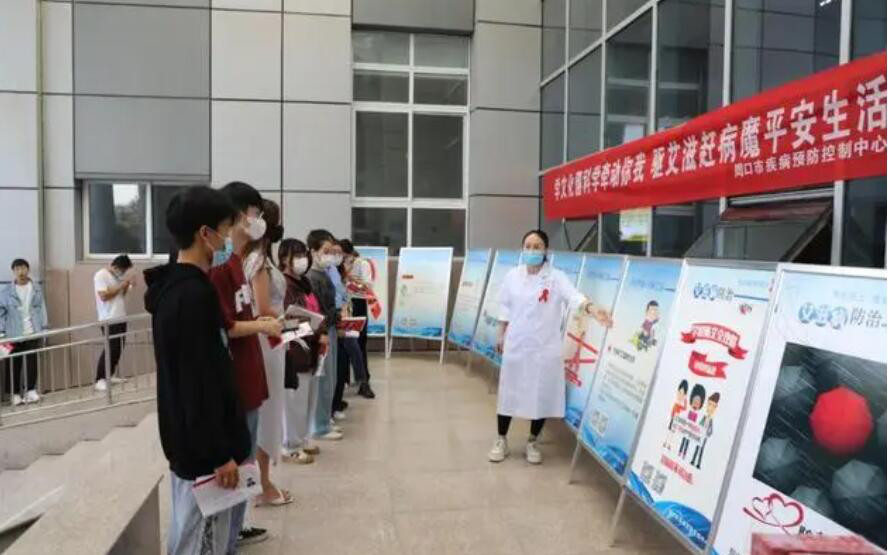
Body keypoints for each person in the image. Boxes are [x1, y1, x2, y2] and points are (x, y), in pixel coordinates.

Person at [144, 186, 251, 555]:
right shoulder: (192, 296)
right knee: (199, 541)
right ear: (205, 233)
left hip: (192, 444)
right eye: (225, 229)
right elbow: (197, 381)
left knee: (190, 532)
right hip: (204, 453)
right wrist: (219, 454)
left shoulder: (177, 289)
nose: (228, 238)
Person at [489, 229, 612, 465]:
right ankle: (501, 439)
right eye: (528, 246)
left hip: (544, 348)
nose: (532, 250)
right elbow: (505, 307)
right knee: (509, 393)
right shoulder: (512, 276)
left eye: (537, 246)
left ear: (546, 250)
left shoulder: (556, 278)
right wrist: (500, 334)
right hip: (516, 345)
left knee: (541, 394)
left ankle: (532, 441)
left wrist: (593, 309)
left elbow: (575, 297)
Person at [209, 181, 283, 551]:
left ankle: (237, 529)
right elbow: (225, 325)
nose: (259, 220)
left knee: (246, 461)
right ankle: (224, 538)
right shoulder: (220, 267)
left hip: (251, 380)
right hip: (235, 382)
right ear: (239, 216)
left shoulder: (238, 262)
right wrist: (263, 325)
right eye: (255, 213)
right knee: (235, 464)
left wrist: (259, 324)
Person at [242, 198, 293, 507]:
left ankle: (262, 480)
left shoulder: (260, 259)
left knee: (269, 412)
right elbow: (262, 308)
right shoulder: (258, 261)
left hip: (272, 340)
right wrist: (292, 318)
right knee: (267, 412)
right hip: (266, 341)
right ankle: (261, 483)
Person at [279, 238, 323, 464]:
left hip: (311, 347)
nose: (302, 260)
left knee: (307, 399)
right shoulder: (284, 284)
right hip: (294, 349)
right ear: (283, 258)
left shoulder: (304, 283)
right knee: (293, 401)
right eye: (296, 256)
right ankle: (290, 445)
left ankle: (303, 438)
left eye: (303, 255)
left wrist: (318, 328)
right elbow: (284, 322)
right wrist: (311, 328)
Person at [305, 229, 343, 441]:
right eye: (325, 251)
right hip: (322, 331)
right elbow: (316, 309)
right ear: (313, 251)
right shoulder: (312, 277)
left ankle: (324, 419)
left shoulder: (325, 274)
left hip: (330, 328)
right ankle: (319, 425)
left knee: (331, 378)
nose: (329, 256)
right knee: (323, 379)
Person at [0, 259, 49, 405]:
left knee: (32, 362)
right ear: (13, 272)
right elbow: (1, 313)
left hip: (32, 331)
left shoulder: (36, 289)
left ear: (28, 270)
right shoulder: (6, 292)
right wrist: (1, 332)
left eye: (23, 268)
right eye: (17, 269)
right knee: (13, 363)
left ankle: (31, 390)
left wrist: (44, 328)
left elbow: (42, 309)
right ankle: (14, 394)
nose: (20, 272)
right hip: (12, 334)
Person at [93, 254, 135, 392]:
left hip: (120, 317)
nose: (123, 273)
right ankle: (100, 379)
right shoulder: (101, 275)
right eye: (123, 270)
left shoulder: (117, 278)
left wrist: (126, 286)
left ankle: (109, 375)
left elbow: (120, 296)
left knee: (118, 348)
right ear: (116, 266)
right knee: (110, 348)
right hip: (109, 318)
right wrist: (121, 286)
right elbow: (103, 296)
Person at [340, 240, 375, 399]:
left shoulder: (362, 264)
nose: (342, 258)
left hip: (358, 302)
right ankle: (343, 380)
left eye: (343, 255)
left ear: (349, 253)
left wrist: (351, 279)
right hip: (343, 305)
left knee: (359, 343)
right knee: (344, 344)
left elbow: (368, 286)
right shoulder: (337, 265)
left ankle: (364, 382)